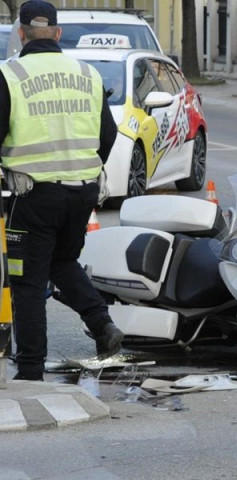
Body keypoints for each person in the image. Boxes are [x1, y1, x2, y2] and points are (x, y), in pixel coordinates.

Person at [0, 0, 121, 381]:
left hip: (33, 195)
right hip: (82, 193)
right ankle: (102, 325)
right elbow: (108, 134)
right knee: (62, 262)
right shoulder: (87, 73)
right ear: (57, 33)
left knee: (27, 281)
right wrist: (84, 169)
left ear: (21, 34)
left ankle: (30, 370)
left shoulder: (9, 74)